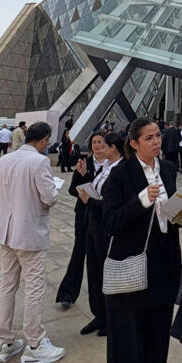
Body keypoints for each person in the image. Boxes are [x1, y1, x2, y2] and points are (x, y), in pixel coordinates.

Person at [102, 118, 180, 363]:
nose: (157, 141)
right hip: (133, 269)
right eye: (149, 138)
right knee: (129, 343)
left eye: (158, 135)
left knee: (158, 341)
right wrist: (140, 201)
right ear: (134, 143)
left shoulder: (167, 169)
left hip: (164, 264)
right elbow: (110, 223)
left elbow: (167, 216)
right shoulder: (120, 174)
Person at [0, 121, 65, 363]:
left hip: (6, 232)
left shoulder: (5, 160)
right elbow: (50, 197)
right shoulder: (39, 162)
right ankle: (35, 343)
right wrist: (52, 188)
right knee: (34, 287)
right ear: (43, 140)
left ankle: (5, 341)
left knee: (7, 286)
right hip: (29, 233)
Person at [80, 132, 125, 338]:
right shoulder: (105, 167)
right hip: (93, 226)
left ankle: (110, 317)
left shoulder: (121, 170)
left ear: (113, 148)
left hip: (106, 229)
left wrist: (91, 202)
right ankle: (98, 314)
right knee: (94, 272)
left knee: (106, 273)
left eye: (103, 145)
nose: (99, 148)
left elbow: (112, 204)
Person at [56, 132, 106, 312]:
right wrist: (83, 176)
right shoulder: (84, 163)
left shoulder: (112, 165)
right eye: (94, 142)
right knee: (79, 251)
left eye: (101, 142)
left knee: (100, 257)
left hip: (102, 216)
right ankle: (68, 293)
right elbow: (72, 189)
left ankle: (103, 297)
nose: (97, 145)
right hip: (84, 214)